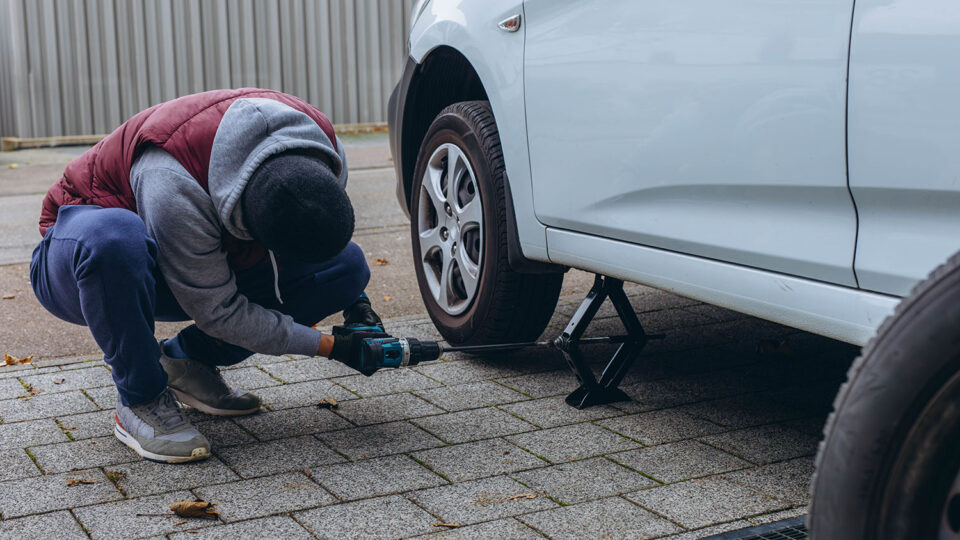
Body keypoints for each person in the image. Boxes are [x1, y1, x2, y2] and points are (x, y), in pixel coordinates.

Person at [30, 89, 385, 463]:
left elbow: (317, 227)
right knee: (114, 239)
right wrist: (333, 347)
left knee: (346, 267)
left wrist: (357, 305)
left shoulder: (320, 145)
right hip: (82, 260)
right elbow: (220, 312)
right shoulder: (172, 183)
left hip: (179, 245)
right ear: (248, 225)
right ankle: (141, 397)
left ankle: (186, 363)